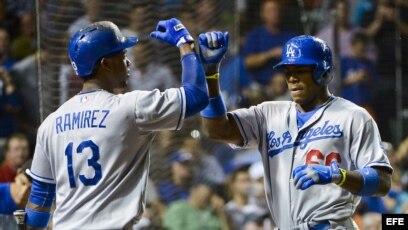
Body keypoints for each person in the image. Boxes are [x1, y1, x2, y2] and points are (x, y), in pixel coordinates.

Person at [24, 19, 209, 229]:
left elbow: (39, 201)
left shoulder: (50, 123)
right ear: (106, 64)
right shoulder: (129, 107)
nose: (128, 61)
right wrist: (185, 44)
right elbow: (197, 96)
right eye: (122, 55)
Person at [198, 32, 392, 229]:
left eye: (300, 70)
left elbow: (382, 181)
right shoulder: (268, 114)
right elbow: (216, 130)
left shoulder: (353, 116)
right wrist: (210, 75)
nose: (292, 78)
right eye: (287, 71)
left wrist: (338, 175)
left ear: (323, 72)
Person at [242, 0, 296, 85]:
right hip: (259, 84)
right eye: (270, 11)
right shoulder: (255, 35)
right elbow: (248, 62)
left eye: (277, 10)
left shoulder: (291, 37)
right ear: (263, 14)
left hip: (286, 83)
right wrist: (270, 54)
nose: (275, 13)